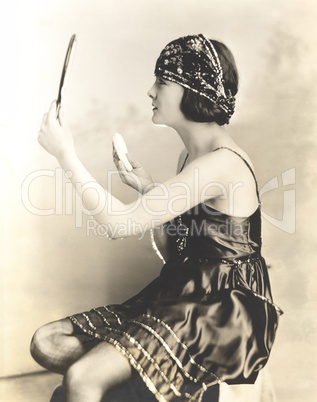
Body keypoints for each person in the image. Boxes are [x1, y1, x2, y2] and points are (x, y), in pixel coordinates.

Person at [31, 34, 282, 402]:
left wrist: (65, 155)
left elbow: (118, 225)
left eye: (162, 82)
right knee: (47, 343)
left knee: (83, 379)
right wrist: (151, 191)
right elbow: (178, 250)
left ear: (192, 90)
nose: (151, 91)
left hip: (220, 313)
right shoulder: (192, 158)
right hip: (183, 293)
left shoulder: (222, 164)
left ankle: (187, 388)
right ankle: (164, 385)